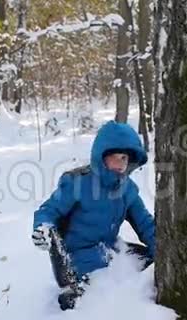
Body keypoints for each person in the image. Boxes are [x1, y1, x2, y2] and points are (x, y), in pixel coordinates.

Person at [32, 120, 156, 310]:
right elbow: (49, 211)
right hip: (78, 253)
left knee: (149, 263)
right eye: (116, 157)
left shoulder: (127, 189)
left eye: (125, 158)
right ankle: (78, 300)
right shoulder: (77, 183)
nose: (121, 164)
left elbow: (145, 223)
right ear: (102, 157)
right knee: (102, 284)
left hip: (111, 248)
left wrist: (161, 248)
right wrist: (42, 227)